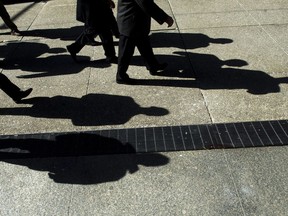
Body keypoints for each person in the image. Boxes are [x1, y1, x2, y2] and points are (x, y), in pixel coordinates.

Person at [116, 0, 174, 84]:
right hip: (130, 22)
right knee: (126, 51)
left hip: (136, 20)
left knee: (144, 44)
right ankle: (121, 76)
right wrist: (165, 17)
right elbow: (145, 3)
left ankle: (153, 65)